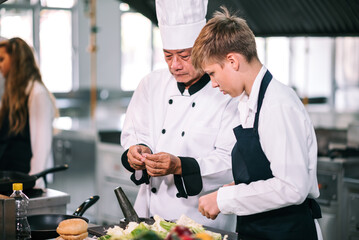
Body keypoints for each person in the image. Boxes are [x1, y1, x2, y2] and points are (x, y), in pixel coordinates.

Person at [191, 7, 323, 240]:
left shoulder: (277, 104)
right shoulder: (250, 102)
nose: (212, 83)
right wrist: (231, 188)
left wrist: (224, 199)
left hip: (287, 232)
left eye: (212, 73)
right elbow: (265, 170)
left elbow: (292, 187)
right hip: (261, 229)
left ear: (232, 61)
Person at [120, 0, 239, 232]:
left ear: (203, 50)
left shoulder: (226, 92)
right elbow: (134, 132)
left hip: (201, 220)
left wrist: (179, 166)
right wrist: (137, 150)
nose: (175, 65)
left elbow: (230, 162)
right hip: (148, 216)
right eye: (168, 56)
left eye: (184, 56)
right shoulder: (151, 84)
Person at [0, 37, 57, 188]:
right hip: (8, 180)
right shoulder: (11, 94)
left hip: (25, 183)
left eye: (2, 59)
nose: (0, 65)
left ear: (16, 61)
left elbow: (41, 146)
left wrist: (34, 182)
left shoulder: (37, 93)